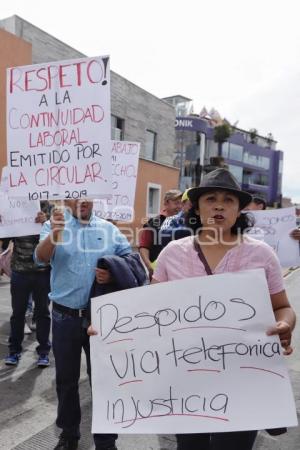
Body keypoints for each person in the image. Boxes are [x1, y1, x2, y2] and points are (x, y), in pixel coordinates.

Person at [152, 168, 296, 450]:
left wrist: (285, 325)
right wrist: (109, 334)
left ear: (240, 209)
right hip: (187, 379)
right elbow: (148, 314)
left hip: (243, 381)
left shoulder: (262, 254)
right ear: (197, 206)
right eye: (211, 198)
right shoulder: (173, 253)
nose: (219, 205)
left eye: (228, 199)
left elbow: (283, 307)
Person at [35, 199, 131, 450]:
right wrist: (55, 234)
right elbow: (40, 259)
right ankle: (69, 433)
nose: (82, 201)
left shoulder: (109, 230)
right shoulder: (53, 225)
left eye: (88, 195)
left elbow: (131, 261)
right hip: (64, 317)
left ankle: (106, 441)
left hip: (100, 319)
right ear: (67, 198)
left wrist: (113, 272)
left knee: (103, 381)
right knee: (66, 381)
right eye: (77, 195)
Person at [4, 209, 51, 367]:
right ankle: (14, 351)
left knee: (43, 312)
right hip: (20, 272)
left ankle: (43, 352)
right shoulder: (12, 211)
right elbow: (4, 240)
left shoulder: (49, 209)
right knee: (18, 313)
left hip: (43, 273)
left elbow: (57, 238)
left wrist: (46, 222)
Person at [139, 189, 182, 279]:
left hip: (179, 271)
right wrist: (149, 267)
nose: (179, 206)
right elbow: (144, 247)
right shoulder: (154, 222)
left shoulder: (184, 222)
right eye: (176, 203)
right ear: (166, 203)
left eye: (181, 203)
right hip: (158, 272)